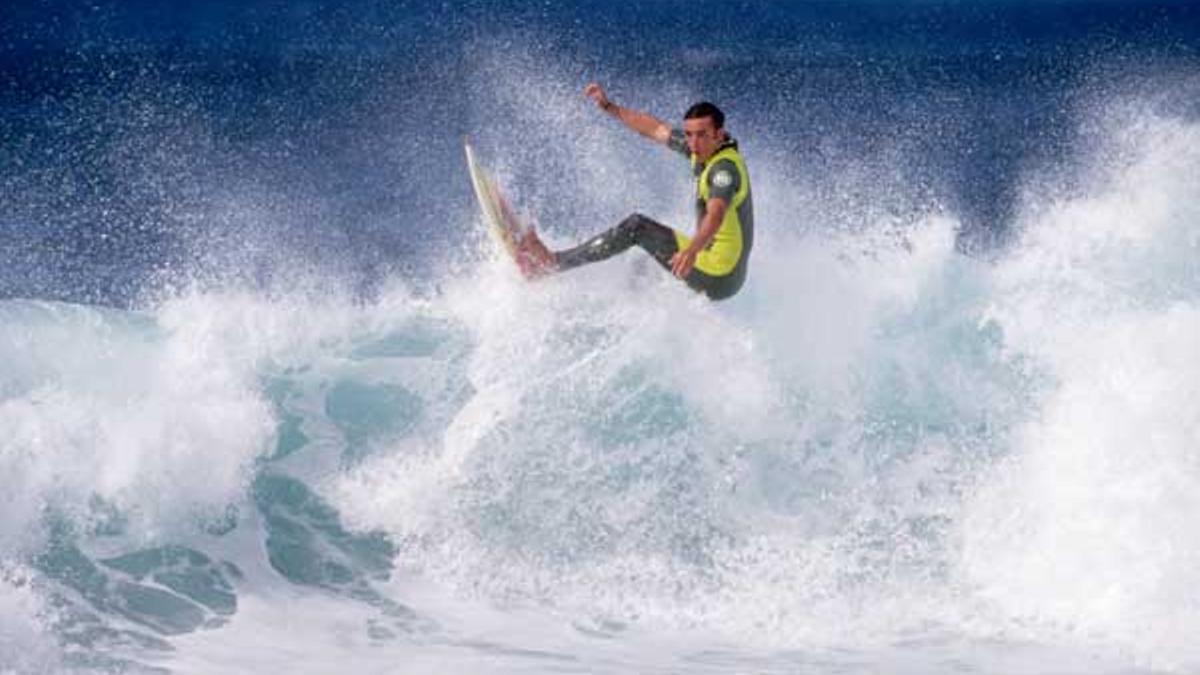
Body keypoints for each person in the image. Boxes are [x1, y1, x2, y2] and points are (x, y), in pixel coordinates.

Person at [515, 83, 754, 301]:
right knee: (642, 264)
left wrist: (691, 251)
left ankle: (551, 263)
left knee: (637, 228)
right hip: (724, 269)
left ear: (719, 134)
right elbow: (655, 129)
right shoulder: (702, 150)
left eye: (702, 135)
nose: (693, 143)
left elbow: (717, 213)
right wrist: (609, 107)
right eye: (689, 134)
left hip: (720, 274)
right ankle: (635, 316)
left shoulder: (724, 170)